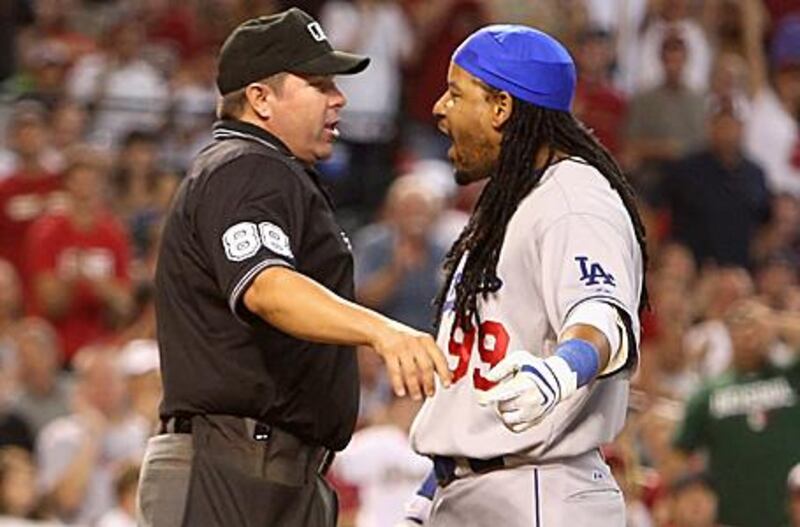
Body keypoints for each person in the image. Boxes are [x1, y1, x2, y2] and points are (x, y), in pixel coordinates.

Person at [135, 8, 451, 527]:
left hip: (269, 468)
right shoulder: (245, 166)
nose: (339, 98)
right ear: (260, 98)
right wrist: (383, 330)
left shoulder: (273, 172)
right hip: (234, 471)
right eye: (318, 83)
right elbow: (265, 287)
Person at [401, 24, 647, 526]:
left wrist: (560, 370)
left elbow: (603, 317)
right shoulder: (508, 205)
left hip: (538, 490)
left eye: (455, 93)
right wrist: (430, 496)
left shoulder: (573, 199)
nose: (439, 109)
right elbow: (471, 391)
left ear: (501, 107)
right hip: (479, 489)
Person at [672, 299, 800, 527]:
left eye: (755, 327)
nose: (749, 335)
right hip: (732, 520)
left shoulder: (792, 376)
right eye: (741, 327)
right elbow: (679, 453)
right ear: (729, 335)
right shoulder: (708, 394)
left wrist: (773, 321)